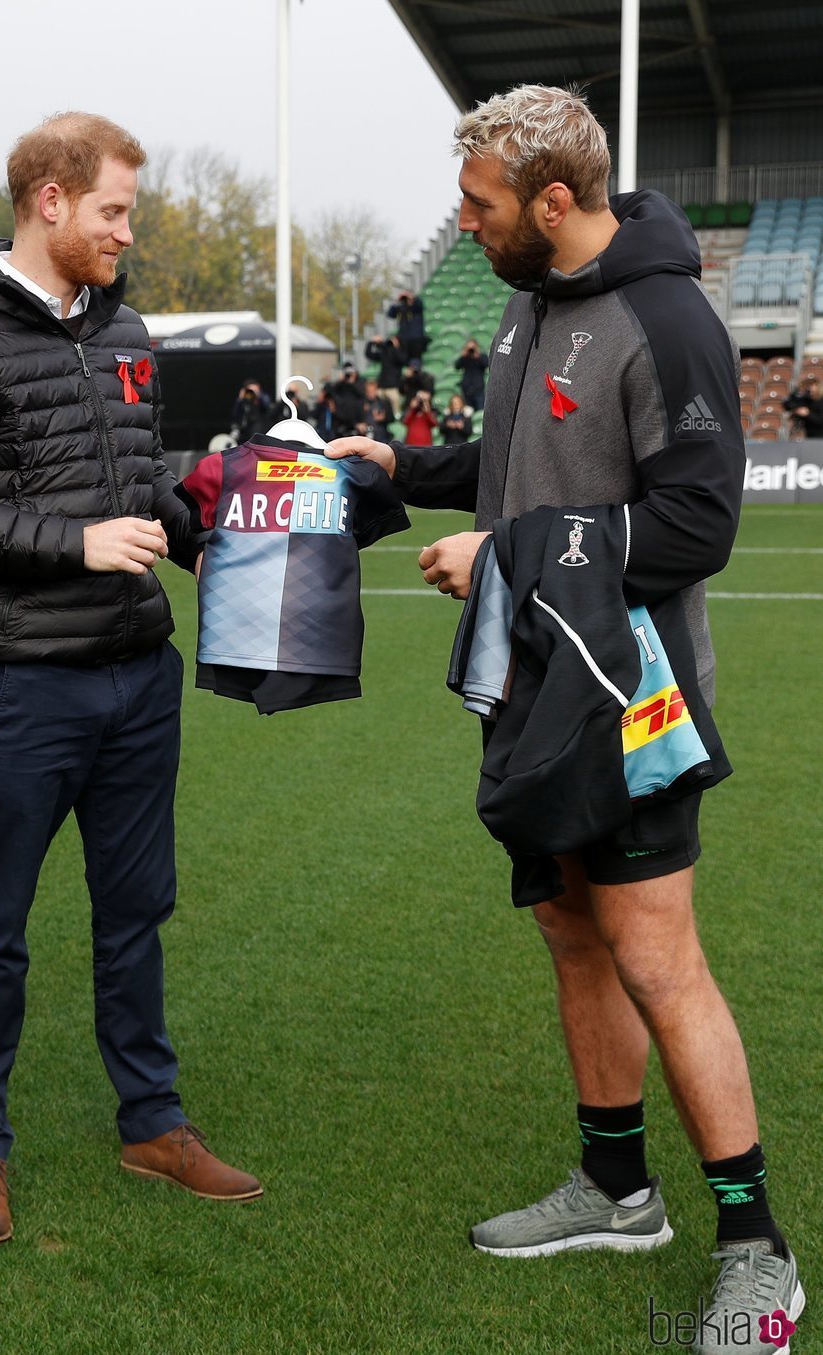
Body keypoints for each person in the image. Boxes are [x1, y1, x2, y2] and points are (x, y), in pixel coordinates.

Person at [326, 84, 801, 1352]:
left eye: (480, 205)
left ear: (551, 200)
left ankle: (758, 1247)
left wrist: (502, 552)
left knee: (654, 954)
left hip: (632, 691)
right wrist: (403, 469)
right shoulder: (534, 303)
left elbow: (697, 524)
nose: (464, 223)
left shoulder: (667, 317)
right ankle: (613, 1186)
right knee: (570, 933)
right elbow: (514, 473)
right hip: (536, 679)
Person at [0, 111, 262, 1247]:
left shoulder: (127, 325)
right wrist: (76, 543)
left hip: (137, 679)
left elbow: (140, 476)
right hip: (19, 686)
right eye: (113, 210)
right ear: (49, 200)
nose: (126, 233)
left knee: (135, 913)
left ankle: (151, 1121)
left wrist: (222, 540)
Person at [364, 333, 405, 416]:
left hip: (393, 388)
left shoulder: (400, 353)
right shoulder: (385, 354)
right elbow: (369, 354)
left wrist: (396, 347)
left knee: (396, 413)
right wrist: (372, 342)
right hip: (382, 387)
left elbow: (402, 359)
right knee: (378, 411)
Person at [387, 288, 428, 360]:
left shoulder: (416, 307)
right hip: (403, 338)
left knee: (416, 361)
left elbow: (420, 305)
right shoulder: (401, 307)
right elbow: (390, 314)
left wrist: (411, 297)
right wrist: (397, 301)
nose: (407, 300)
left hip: (416, 339)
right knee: (404, 360)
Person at [783, 373, 823, 438]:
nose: (810, 388)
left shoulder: (821, 401)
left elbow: (820, 420)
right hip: (809, 435)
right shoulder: (806, 400)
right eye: (807, 385)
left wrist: (808, 414)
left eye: (812, 385)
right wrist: (796, 391)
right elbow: (788, 405)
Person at [454, 338, 488, 410]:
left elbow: (486, 364)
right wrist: (463, 355)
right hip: (466, 390)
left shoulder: (481, 357)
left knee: (480, 411)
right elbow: (457, 366)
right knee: (468, 411)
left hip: (478, 390)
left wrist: (477, 356)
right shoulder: (465, 358)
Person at [361, 378, 395, 445]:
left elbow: (392, 418)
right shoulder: (361, 403)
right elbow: (353, 418)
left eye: (373, 391)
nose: (371, 393)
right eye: (369, 391)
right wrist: (359, 424)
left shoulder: (384, 403)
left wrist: (383, 418)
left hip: (381, 437)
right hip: (365, 437)